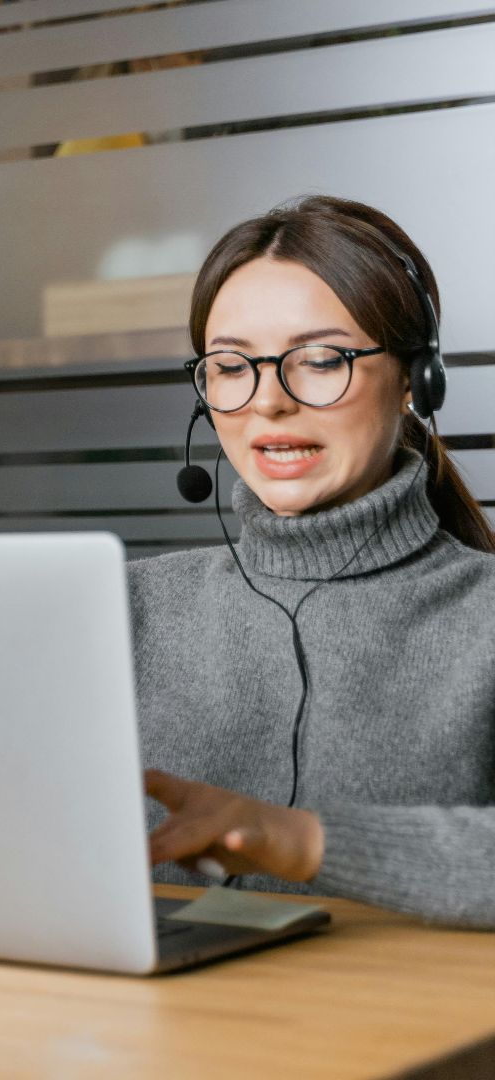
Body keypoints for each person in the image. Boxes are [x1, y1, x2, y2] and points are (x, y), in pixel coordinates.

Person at [135, 195, 495, 927]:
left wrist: (296, 839)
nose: (268, 401)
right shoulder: (121, 608)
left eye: (321, 359)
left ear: (415, 382)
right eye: (231, 366)